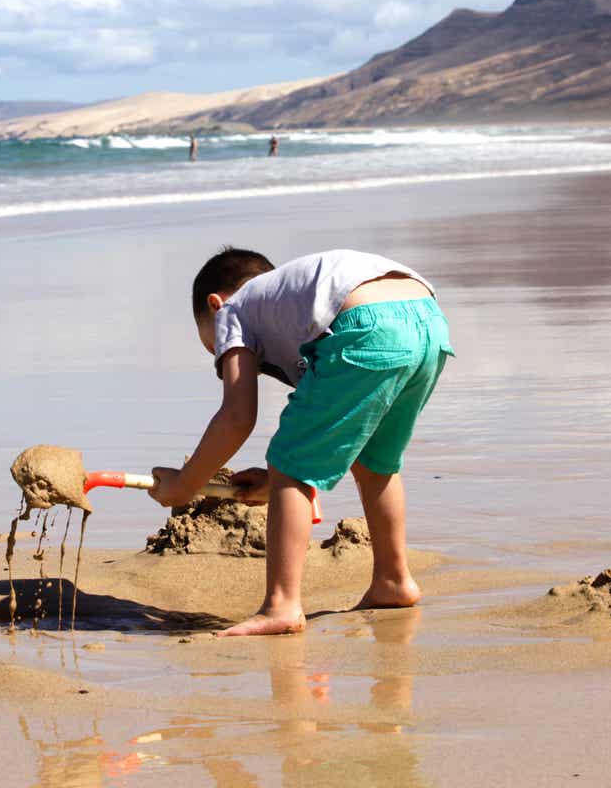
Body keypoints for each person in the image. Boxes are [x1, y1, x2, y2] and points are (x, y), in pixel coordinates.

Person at [150, 247, 453, 635]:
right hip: (427, 317)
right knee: (375, 459)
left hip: (364, 325)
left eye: (213, 347)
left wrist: (185, 484)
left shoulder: (233, 310)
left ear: (214, 305)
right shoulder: (288, 306)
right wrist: (279, 485)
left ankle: (281, 605)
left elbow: (237, 418)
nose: (221, 355)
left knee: (288, 460)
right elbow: (333, 435)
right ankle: (393, 580)